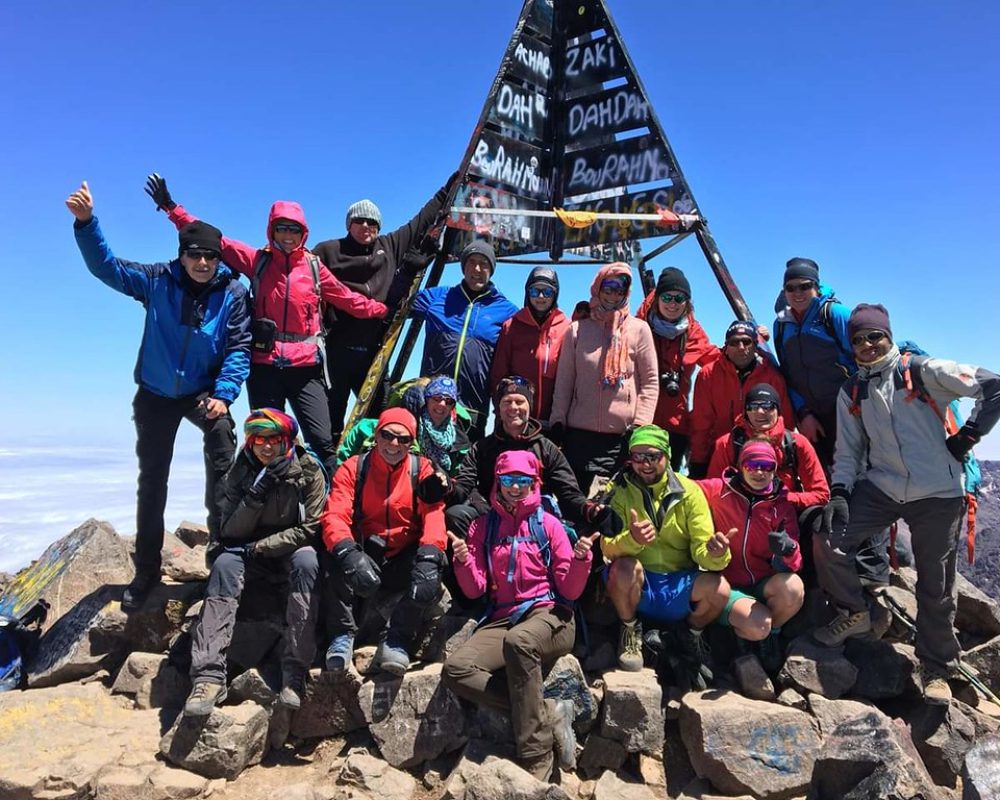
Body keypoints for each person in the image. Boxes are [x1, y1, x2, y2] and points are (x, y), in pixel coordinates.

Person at [67, 181, 251, 611]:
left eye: (210, 256)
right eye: (195, 255)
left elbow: (240, 347)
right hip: (154, 394)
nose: (203, 262)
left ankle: (220, 557)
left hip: (202, 393)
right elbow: (108, 269)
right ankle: (146, 569)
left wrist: (224, 394)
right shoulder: (156, 281)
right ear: (181, 255)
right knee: (153, 481)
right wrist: (86, 224)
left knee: (223, 460)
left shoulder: (233, 294)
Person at [813, 304, 1000, 704]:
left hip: (938, 491)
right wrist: (841, 492)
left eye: (874, 336)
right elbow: (847, 451)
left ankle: (937, 668)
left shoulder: (923, 371)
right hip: (882, 486)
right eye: (859, 339)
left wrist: (968, 436)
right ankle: (855, 611)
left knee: (936, 583)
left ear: (888, 335)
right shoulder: (853, 391)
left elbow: (993, 384)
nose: (866, 345)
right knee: (828, 540)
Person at [145, 174, 387, 475]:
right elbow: (209, 239)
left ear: (304, 233)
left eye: (294, 230)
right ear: (272, 229)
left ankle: (329, 508)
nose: (288, 235)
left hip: (305, 370)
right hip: (264, 367)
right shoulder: (256, 260)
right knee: (267, 439)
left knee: (322, 441)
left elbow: (347, 298)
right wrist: (171, 208)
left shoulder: (313, 267)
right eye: (282, 228)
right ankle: (267, 509)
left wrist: (381, 308)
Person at [443, 451, 597, 781]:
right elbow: (475, 589)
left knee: (520, 640)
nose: (515, 488)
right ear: (497, 483)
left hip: (551, 615)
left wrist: (582, 560)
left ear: (534, 484)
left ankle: (536, 754)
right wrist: (461, 561)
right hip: (504, 617)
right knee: (456, 669)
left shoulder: (549, 525)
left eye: (523, 481)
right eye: (508, 481)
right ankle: (547, 712)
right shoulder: (484, 527)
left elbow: (569, 592)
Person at [184, 409, 326, 716]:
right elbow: (229, 529)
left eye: (273, 439)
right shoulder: (242, 469)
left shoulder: (308, 470)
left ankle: (294, 672)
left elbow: (310, 528)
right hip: (245, 545)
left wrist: (262, 547)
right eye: (258, 439)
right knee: (223, 566)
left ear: (286, 440)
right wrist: (257, 493)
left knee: (308, 564)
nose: (265, 446)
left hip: (287, 546)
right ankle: (208, 676)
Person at [310, 180, 454, 441]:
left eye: (372, 222)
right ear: (349, 224)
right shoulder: (327, 251)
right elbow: (300, 273)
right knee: (330, 422)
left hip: (373, 352)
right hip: (336, 351)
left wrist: (449, 187)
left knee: (380, 419)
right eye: (360, 221)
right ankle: (331, 475)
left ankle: (370, 470)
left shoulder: (389, 246)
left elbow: (421, 220)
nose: (366, 226)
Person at [322, 408, 449, 676]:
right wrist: (347, 552)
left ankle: (397, 638)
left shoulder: (421, 469)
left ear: (411, 443)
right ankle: (342, 635)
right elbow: (335, 514)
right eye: (387, 435)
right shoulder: (354, 467)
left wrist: (430, 555)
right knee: (331, 554)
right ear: (376, 436)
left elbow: (434, 514)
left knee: (431, 572)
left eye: (403, 439)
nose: (394, 444)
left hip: (403, 553)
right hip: (366, 550)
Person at [602, 425, 731, 676]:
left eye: (652, 456)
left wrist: (716, 554)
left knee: (720, 589)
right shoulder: (618, 489)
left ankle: (691, 634)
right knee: (624, 568)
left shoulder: (690, 492)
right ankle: (630, 629)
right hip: (640, 583)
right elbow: (606, 547)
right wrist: (633, 539)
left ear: (668, 455)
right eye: (637, 457)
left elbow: (703, 552)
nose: (645, 464)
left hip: (679, 583)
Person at [444, 376, 616, 541]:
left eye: (519, 402)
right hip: (491, 515)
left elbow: (569, 494)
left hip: (536, 520)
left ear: (530, 406)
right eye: (506, 402)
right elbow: (463, 488)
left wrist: (592, 511)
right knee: (456, 514)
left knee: (586, 528)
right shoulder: (481, 447)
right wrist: (443, 486)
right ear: (498, 409)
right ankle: (468, 568)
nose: (513, 407)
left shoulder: (546, 448)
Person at [550, 264, 659, 493]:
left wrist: (640, 425)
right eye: (608, 287)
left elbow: (650, 382)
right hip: (578, 437)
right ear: (598, 288)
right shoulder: (578, 329)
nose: (613, 294)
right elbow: (565, 381)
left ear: (626, 293)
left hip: (620, 438)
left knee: (615, 507)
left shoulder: (639, 330)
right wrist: (557, 421)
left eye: (620, 289)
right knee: (574, 505)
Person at [697, 440, 804, 672]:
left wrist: (788, 550)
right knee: (758, 624)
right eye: (752, 464)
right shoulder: (718, 490)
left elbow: (796, 562)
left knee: (793, 587)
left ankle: (768, 636)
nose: (759, 471)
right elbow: (683, 487)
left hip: (761, 582)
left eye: (766, 466)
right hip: (724, 585)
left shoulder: (781, 504)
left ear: (774, 470)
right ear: (740, 466)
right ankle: (746, 633)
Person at [411, 240, 518, 441]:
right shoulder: (437, 297)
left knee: (464, 470)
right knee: (425, 468)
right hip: (433, 403)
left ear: (492, 270)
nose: (477, 269)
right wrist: (409, 270)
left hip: (473, 409)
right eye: (472, 262)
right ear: (463, 266)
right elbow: (396, 304)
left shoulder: (507, 311)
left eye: (484, 264)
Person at [771, 257, 854, 469]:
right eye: (791, 288)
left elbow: (866, 359)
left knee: (861, 478)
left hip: (850, 414)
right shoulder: (781, 326)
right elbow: (788, 375)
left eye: (804, 286)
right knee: (828, 480)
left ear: (816, 287)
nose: (797, 293)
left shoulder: (835, 314)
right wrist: (804, 414)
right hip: (814, 420)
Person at [687, 321, 795, 477]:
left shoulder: (772, 376)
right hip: (720, 458)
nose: (741, 347)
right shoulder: (708, 375)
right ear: (726, 346)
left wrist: (780, 457)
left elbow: (784, 421)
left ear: (755, 345)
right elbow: (701, 423)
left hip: (761, 459)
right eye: (734, 342)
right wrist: (698, 462)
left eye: (746, 341)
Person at [635, 267, 718, 471]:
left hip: (676, 425)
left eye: (679, 298)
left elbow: (718, 362)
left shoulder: (693, 332)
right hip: (641, 422)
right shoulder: (637, 327)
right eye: (667, 297)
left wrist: (751, 342)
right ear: (657, 299)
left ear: (687, 302)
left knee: (669, 489)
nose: (672, 303)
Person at [337, 375, 472, 475]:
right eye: (436, 398)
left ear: (452, 407)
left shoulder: (459, 443)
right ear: (426, 399)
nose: (442, 404)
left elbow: (458, 479)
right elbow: (342, 463)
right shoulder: (383, 427)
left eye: (449, 401)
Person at [489, 267, 570, 424]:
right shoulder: (512, 326)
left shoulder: (566, 328)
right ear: (527, 292)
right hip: (516, 421)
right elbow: (498, 376)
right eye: (535, 291)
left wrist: (561, 421)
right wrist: (501, 415)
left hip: (552, 422)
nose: (540, 296)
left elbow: (570, 380)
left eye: (547, 292)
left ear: (555, 294)